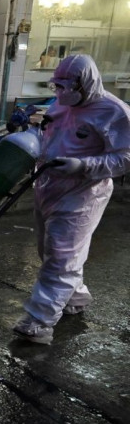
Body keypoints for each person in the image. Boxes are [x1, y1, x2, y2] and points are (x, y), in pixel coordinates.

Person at [13, 54, 130, 344]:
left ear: (85, 83)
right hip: (48, 187)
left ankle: (39, 323)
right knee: (48, 250)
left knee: (61, 258)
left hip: (82, 194)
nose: (62, 92)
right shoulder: (61, 104)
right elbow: (51, 136)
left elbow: (125, 157)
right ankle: (75, 298)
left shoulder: (114, 112)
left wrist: (84, 166)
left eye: (68, 86)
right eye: (58, 86)